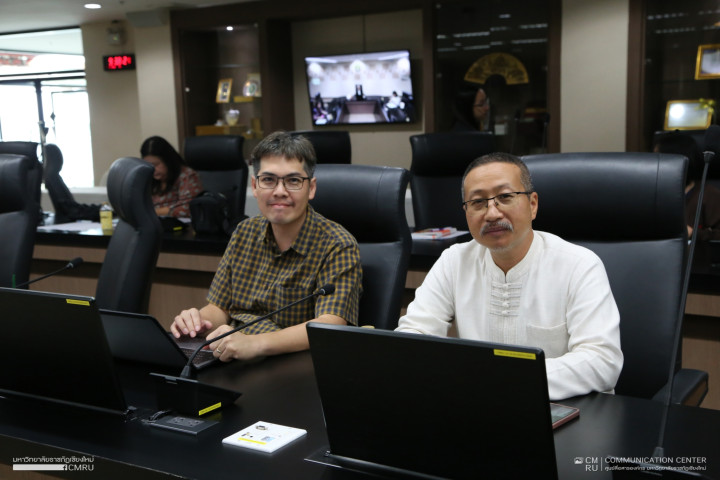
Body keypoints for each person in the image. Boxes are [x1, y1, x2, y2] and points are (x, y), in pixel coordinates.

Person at [396, 152, 623, 401]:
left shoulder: (579, 265)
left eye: (504, 197)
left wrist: (501, 379)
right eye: (478, 202)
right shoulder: (454, 261)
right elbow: (412, 339)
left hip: (567, 409)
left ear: (532, 204)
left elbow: (602, 361)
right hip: (480, 405)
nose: (492, 213)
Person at [170, 131, 362, 362]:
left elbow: (329, 324)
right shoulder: (244, 232)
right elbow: (220, 308)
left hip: (290, 363)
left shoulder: (337, 244)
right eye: (269, 180)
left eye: (293, 181)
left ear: (311, 188)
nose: (279, 191)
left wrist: (255, 343)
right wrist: (199, 322)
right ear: (255, 185)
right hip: (232, 355)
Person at [654, 130, 720, 241]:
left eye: (659, 159)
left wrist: (693, 233)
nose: (654, 165)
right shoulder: (654, 194)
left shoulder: (709, 195)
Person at [140, 136, 203, 217]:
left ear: (168, 160)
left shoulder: (187, 176)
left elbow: (186, 209)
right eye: (148, 165)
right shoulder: (147, 177)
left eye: (156, 164)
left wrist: (150, 212)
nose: (153, 169)